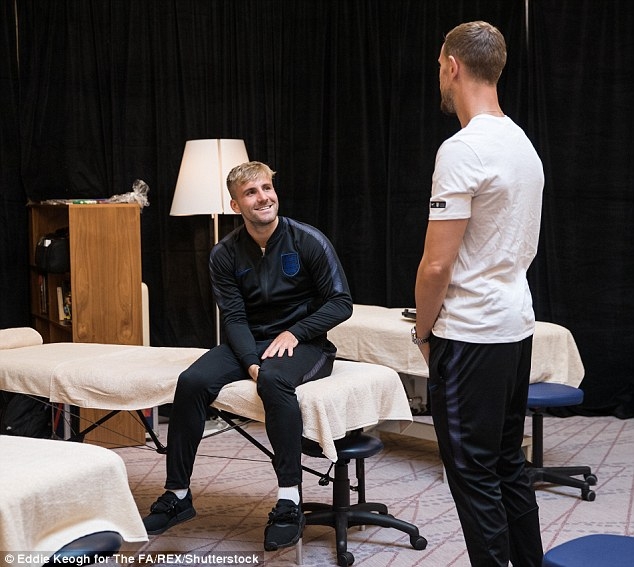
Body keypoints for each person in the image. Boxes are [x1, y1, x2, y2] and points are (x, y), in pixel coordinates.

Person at [143, 161, 353, 551]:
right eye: (251, 193)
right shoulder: (224, 253)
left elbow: (341, 303)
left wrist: (295, 332)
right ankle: (178, 495)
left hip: (307, 342)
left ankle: (289, 500)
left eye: (266, 188)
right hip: (252, 340)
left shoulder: (308, 240)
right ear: (236, 205)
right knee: (191, 381)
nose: (263, 198)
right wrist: (250, 361)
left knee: (274, 379)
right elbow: (235, 317)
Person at [413, 21, 544, 566]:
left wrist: (422, 333)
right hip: (514, 326)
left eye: (439, 67)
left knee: (472, 474)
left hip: (471, 334)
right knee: (507, 463)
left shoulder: (463, 149)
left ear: (452, 66)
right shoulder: (522, 143)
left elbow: (436, 264)